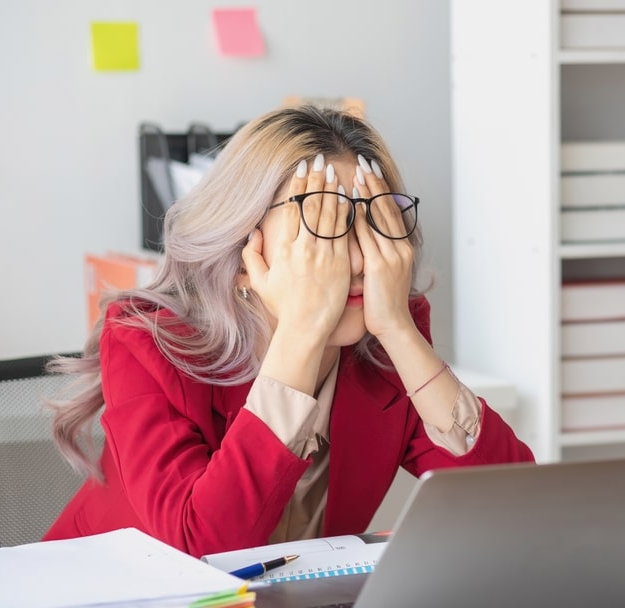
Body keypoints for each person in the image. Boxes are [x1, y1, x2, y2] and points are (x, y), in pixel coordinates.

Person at [43, 105, 535, 557]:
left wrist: (400, 332)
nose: (362, 260)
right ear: (242, 252)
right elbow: (200, 547)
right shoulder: (145, 341)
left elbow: (512, 504)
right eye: (325, 225)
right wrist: (301, 334)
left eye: (375, 223)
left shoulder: (385, 341)